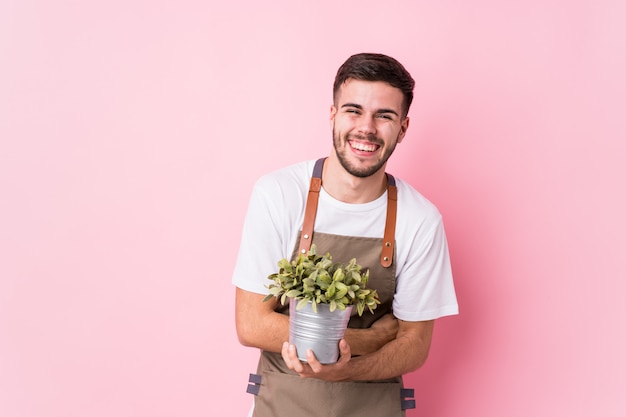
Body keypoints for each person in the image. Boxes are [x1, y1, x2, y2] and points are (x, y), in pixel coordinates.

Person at [232, 52, 458, 417]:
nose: (366, 128)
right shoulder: (278, 194)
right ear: (333, 115)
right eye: (353, 110)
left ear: (402, 128)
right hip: (283, 404)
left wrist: (348, 369)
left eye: (384, 115)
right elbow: (252, 324)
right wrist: (372, 338)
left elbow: (414, 346)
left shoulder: (420, 220)